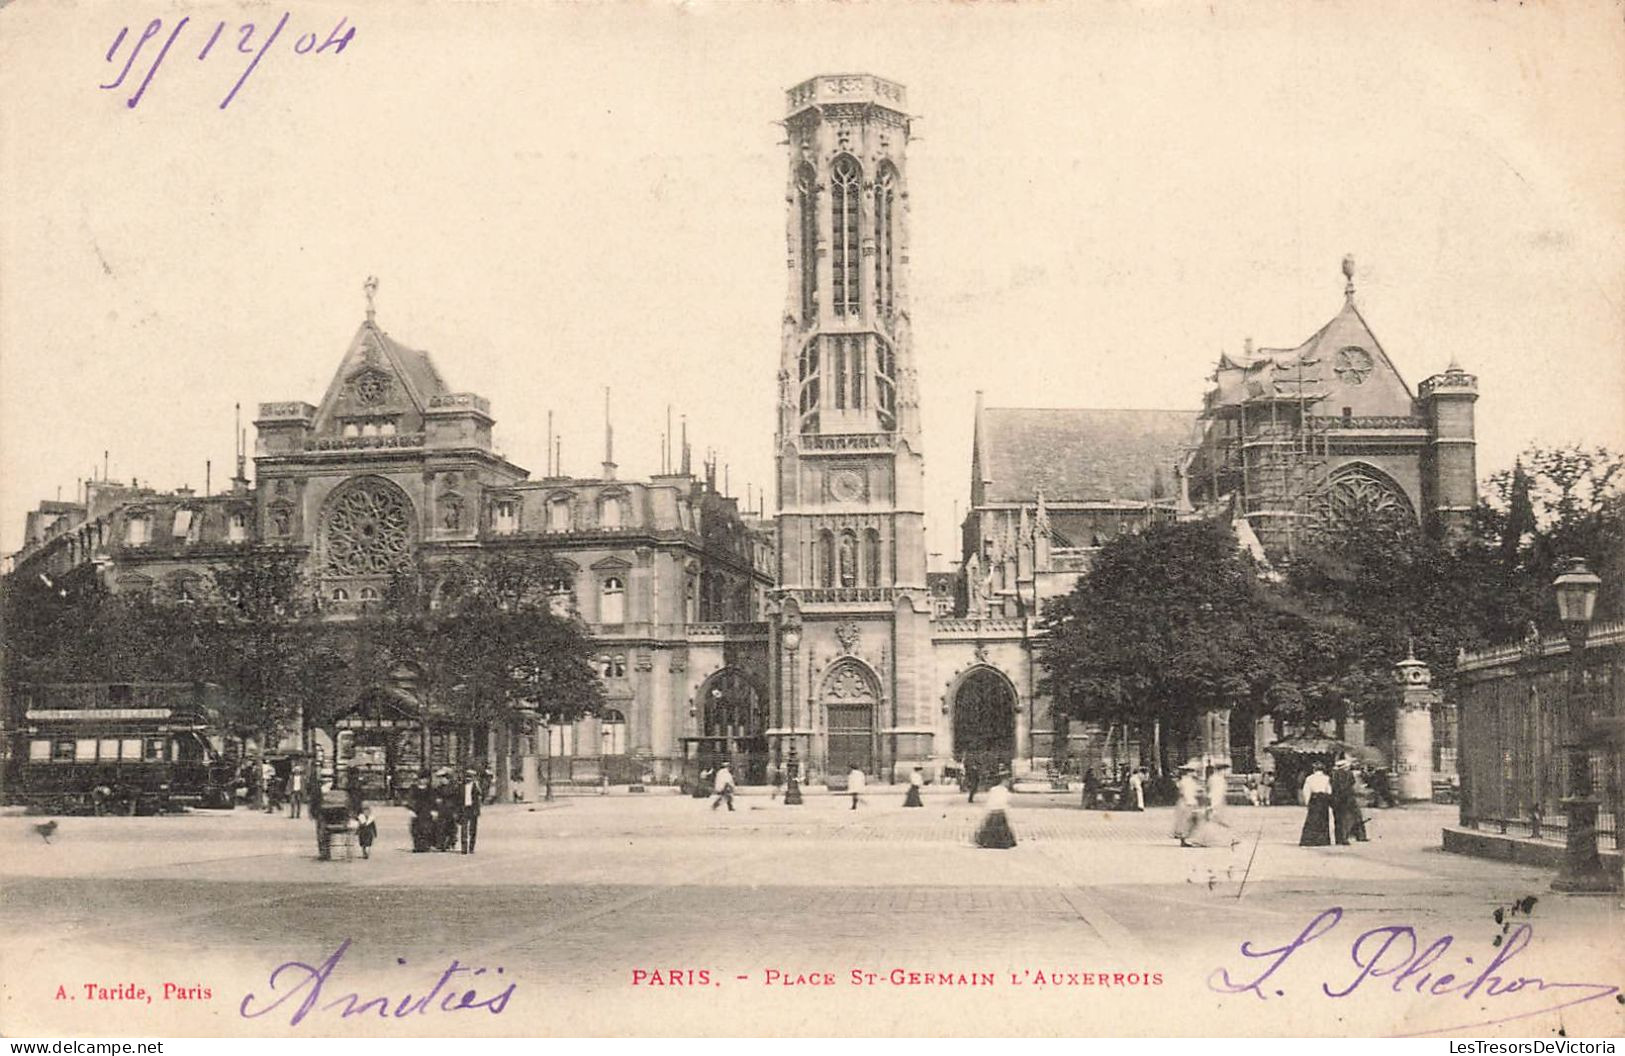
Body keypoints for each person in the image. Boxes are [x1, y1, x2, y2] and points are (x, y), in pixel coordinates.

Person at [1331, 757, 1368, 844]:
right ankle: (1360, 836)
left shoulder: (1334, 774)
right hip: (1349, 797)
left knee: (1340, 819)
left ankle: (1340, 838)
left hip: (1337, 799)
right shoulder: (1348, 774)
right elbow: (1352, 783)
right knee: (1356, 816)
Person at [973, 778, 1017, 849]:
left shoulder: (994, 790)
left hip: (994, 810)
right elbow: (1005, 802)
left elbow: (991, 801)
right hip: (1000, 810)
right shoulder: (1004, 791)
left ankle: (990, 841)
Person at [1299, 763, 1333, 846]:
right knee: (1323, 819)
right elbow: (1329, 790)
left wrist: (1307, 802)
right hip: (1323, 799)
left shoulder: (1309, 778)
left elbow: (1306, 790)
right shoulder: (1326, 778)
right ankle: (1322, 840)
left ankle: (1310, 839)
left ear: (1314, 769)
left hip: (1314, 798)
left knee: (1312, 819)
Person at [1171, 764, 1202, 847]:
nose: (1195, 773)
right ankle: (1186, 839)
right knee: (1188, 821)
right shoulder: (1187, 781)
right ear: (1189, 772)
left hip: (1186, 802)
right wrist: (1192, 804)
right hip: (1187, 803)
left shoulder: (1187, 781)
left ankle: (1186, 839)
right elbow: (1187, 794)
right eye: (1193, 771)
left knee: (1187, 821)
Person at [408, 772, 436, 853]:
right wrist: (411, 810)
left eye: (425, 779)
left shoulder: (430, 789)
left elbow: (433, 800)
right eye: (421, 779)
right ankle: (417, 846)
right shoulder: (414, 788)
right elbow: (410, 799)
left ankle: (426, 846)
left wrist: (433, 810)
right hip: (417, 810)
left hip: (427, 811)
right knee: (416, 829)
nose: (423, 781)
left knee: (426, 828)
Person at [459, 768, 483, 854]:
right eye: (467, 776)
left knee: (472, 829)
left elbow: (480, 796)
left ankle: (471, 847)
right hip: (464, 808)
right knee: (464, 828)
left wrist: (477, 785)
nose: (468, 779)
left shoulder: (476, 786)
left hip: (473, 809)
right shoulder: (461, 786)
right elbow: (458, 799)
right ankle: (464, 848)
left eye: (470, 777)